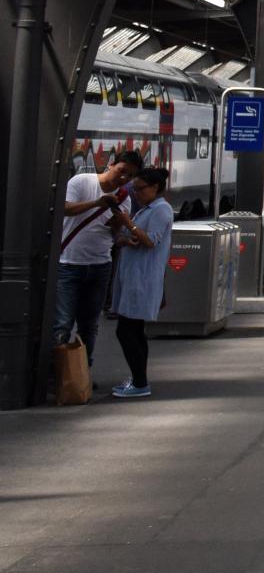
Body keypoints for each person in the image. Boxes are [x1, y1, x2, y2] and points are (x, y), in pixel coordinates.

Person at [55, 148, 142, 379]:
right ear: (112, 164)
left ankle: (81, 376)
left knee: (89, 326)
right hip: (68, 263)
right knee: (62, 324)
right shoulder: (82, 181)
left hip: (100, 265)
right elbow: (64, 208)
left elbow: (114, 236)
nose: (123, 178)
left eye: (129, 176)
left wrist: (120, 230)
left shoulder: (124, 198)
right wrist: (97, 203)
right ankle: (57, 377)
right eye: (122, 171)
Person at [105, 168, 175, 400]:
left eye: (140, 188)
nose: (136, 193)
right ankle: (138, 379)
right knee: (133, 330)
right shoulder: (146, 209)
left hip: (143, 279)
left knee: (126, 331)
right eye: (134, 189)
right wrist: (120, 230)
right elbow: (130, 238)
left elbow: (150, 240)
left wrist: (128, 222)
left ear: (155, 187)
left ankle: (140, 381)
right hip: (133, 276)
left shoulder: (161, 209)